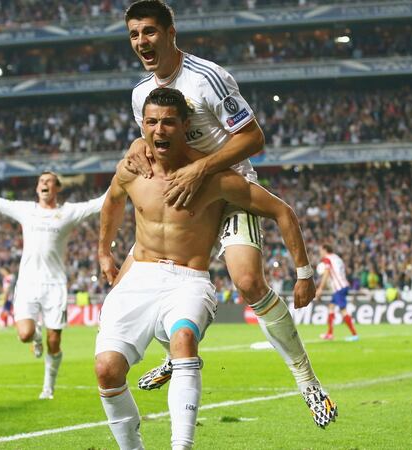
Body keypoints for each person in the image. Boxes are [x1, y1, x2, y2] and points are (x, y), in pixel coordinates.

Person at [96, 88, 336, 450]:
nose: (159, 130)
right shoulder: (133, 168)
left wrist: (303, 273)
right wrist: (103, 252)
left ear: (185, 126)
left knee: (245, 285)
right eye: (152, 123)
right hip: (142, 272)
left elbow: (282, 210)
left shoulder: (216, 176)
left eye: (168, 123)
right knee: (107, 370)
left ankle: (306, 381)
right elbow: (112, 202)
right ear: (141, 125)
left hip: (187, 277)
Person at [120, 1, 323, 414]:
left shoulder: (206, 78)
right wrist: (138, 147)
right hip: (182, 198)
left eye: (150, 32)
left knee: (248, 281)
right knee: (134, 286)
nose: (142, 41)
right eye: (134, 34)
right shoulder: (142, 93)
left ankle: (307, 381)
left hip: (230, 191)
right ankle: (174, 354)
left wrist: (202, 169)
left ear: (171, 32)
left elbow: (253, 138)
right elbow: (151, 141)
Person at [0, 162, 105, 399]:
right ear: (37, 188)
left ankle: (48, 386)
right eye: (41, 182)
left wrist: (125, 174)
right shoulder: (26, 210)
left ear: (57, 188)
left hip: (55, 284)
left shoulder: (67, 212)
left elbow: (98, 203)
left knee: (55, 341)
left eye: (49, 181)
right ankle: (35, 337)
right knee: (25, 334)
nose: (44, 184)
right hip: (27, 283)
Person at [314, 244, 358, 342]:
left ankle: (355, 335)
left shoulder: (327, 259)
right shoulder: (337, 258)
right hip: (343, 285)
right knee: (331, 307)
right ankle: (330, 334)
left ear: (325, 249)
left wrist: (320, 288)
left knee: (343, 310)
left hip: (339, 288)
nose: (320, 253)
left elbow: (326, 272)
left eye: (321, 250)